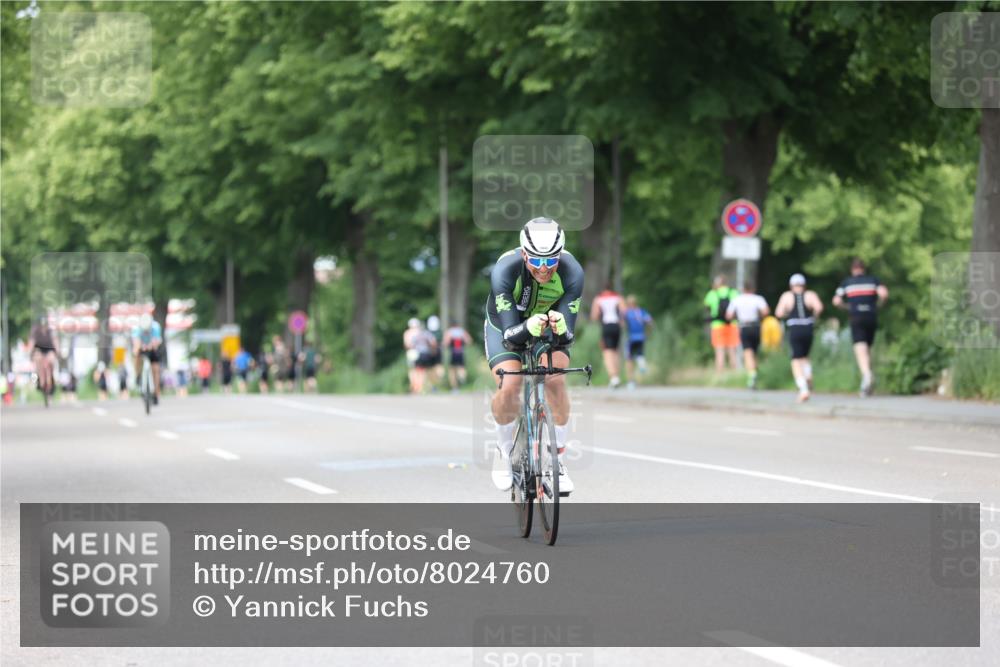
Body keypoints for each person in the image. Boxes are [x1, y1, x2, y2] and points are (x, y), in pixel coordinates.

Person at [485, 217, 583, 494]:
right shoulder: (505, 270)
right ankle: (504, 450)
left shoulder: (572, 272)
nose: (543, 269)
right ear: (524, 254)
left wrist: (562, 329)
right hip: (506, 325)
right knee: (511, 384)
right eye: (536, 261)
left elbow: (567, 336)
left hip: (548, 325)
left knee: (555, 379)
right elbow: (509, 335)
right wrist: (527, 325)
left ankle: (558, 460)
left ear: (560, 256)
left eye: (551, 261)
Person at [833, 258, 889, 396]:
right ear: (864, 269)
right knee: (868, 348)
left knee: (859, 347)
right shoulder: (873, 280)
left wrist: (846, 307)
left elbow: (836, 300)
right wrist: (879, 305)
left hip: (856, 316)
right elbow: (884, 293)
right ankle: (868, 386)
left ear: (853, 270)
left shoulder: (847, 282)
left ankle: (867, 374)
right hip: (871, 315)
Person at [775, 273, 824, 403]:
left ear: (791, 285)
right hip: (808, 327)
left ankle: (803, 389)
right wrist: (814, 317)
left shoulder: (787, 296)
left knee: (795, 359)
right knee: (805, 356)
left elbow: (778, 313)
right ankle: (808, 375)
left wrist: (788, 313)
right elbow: (819, 307)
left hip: (795, 327)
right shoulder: (810, 295)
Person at [725, 282, 770, 389]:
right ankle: (754, 371)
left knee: (747, 352)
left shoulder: (737, 299)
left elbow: (729, 316)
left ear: (743, 289)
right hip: (756, 326)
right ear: (753, 288)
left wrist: (737, 317)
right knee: (754, 352)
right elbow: (766, 312)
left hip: (744, 327)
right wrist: (759, 315)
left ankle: (752, 375)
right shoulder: (758, 299)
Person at [704, 275, 741, 372]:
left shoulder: (712, 293)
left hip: (717, 325)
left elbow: (707, 307)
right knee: (732, 350)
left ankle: (720, 374)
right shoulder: (733, 292)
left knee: (719, 351)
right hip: (732, 324)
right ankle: (734, 374)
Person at [591, 283, 625, 387]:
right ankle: (617, 376)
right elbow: (624, 311)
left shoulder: (599, 298)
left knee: (607, 353)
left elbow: (594, 316)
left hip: (606, 326)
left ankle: (613, 378)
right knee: (616, 351)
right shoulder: (618, 297)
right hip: (616, 326)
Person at [131, 313, 163, 404]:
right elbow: (136, 344)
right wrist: (139, 348)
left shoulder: (155, 327)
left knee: (155, 370)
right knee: (136, 355)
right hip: (141, 347)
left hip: (152, 348)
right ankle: (138, 374)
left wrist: (151, 346)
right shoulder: (136, 329)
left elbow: (156, 342)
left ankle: (156, 393)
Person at [623, 295, 653, 389]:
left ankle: (630, 382)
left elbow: (622, 324)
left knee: (629, 359)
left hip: (631, 338)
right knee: (640, 354)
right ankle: (642, 364)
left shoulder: (627, 313)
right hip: (641, 337)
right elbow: (650, 322)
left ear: (628, 303)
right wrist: (648, 333)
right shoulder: (641, 311)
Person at [28, 316, 59, 398]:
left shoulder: (50, 331)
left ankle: (51, 377)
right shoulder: (35, 331)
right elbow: (32, 342)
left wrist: (57, 351)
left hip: (49, 349)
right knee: (38, 359)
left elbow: (55, 341)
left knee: (51, 360)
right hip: (39, 349)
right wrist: (30, 352)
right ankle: (39, 378)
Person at [442, 321, 473, 390]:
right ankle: (462, 377)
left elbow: (446, 343)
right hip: (461, 352)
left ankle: (455, 387)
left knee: (452, 370)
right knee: (461, 367)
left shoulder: (449, 332)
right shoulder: (462, 331)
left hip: (453, 352)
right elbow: (469, 341)